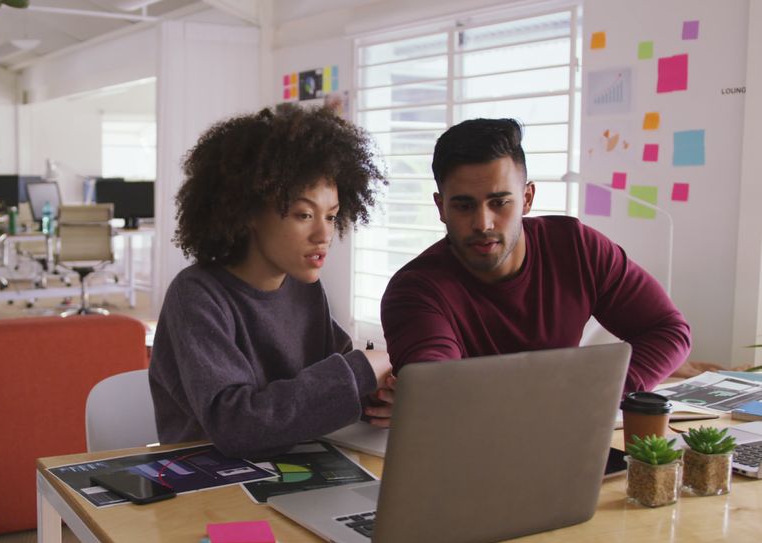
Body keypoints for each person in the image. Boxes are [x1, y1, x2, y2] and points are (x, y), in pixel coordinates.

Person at [149, 104, 395, 458]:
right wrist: (359, 372)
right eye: (304, 215)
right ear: (248, 211)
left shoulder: (305, 287)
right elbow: (235, 424)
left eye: (332, 215)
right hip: (209, 484)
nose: (324, 234)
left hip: (294, 468)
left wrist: (376, 395)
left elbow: (332, 378)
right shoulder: (196, 296)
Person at [380, 118, 691, 393]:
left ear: (527, 198)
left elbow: (669, 330)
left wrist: (605, 396)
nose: (482, 223)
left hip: (568, 437)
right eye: (463, 206)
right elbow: (438, 388)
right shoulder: (414, 291)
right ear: (440, 208)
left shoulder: (577, 247)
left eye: (499, 202)